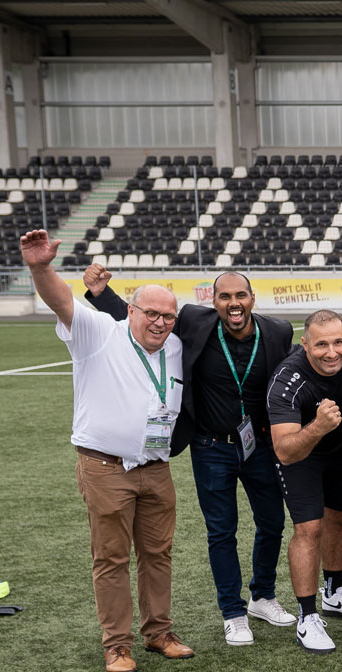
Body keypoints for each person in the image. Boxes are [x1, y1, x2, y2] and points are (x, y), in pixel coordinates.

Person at [83, 264, 297, 647]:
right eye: (224, 296)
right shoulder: (193, 323)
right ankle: (232, 611)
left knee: (272, 522)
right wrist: (102, 295)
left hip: (259, 445)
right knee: (222, 531)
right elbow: (142, 320)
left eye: (240, 296)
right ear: (212, 302)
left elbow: (294, 370)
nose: (233, 304)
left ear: (252, 299)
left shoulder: (278, 332)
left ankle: (262, 596)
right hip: (210, 445)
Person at [22, 229, 194, 672]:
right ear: (130, 311)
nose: (160, 323)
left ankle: (159, 632)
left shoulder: (174, 346)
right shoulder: (99, 331)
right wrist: (41, 267)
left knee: (158, 553)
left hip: (156, 467)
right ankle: (116, 644)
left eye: (168, 317)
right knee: (112, 558)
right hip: (105, 466)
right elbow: (61, 300)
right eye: (151, 313)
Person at [266, 310, 342, 653]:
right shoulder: (287, 379)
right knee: (309, 529)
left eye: (338, 342)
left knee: (338, 518)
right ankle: (307, 617)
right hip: (301, 454)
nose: (332, 352)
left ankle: (334, 592)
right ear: (305, 344)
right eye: (321, 344)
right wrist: (319, 427)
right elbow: (285, 450)